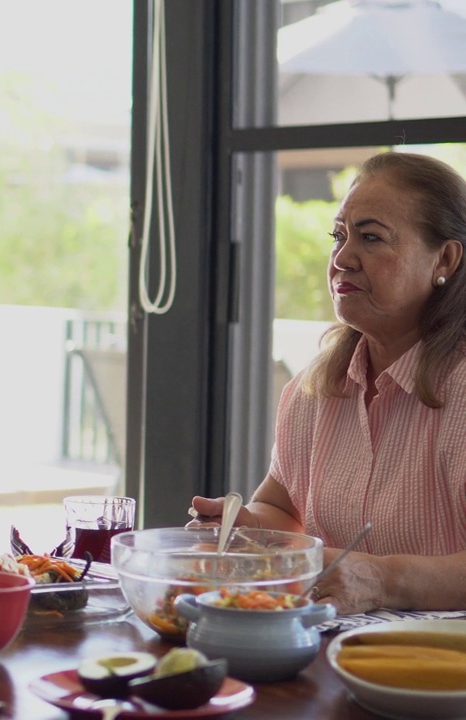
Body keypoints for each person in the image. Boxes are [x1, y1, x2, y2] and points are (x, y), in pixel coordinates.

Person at [190, 151, 466, 616]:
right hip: (330, 652)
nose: (342, 258)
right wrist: (245, 532)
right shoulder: (313, 389)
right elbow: (282, 511)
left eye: (371, 238)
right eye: (338, 236)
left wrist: (380, 579)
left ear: (445, 258)